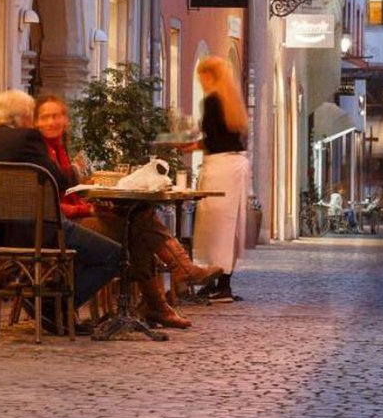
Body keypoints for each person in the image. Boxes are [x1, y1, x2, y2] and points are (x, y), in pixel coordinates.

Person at [34, 93, 222, 329]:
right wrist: (88, 208)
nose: (52, 122)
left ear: (66, 119)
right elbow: (49, 204)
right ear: (36, 122)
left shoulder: (59, 148)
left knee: (136, 221)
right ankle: (172, 284)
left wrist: (92, 206)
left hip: (75, 216)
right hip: (66, 223)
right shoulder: (39, 152)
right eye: (45, 117)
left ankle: (162, 300)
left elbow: (66, 193)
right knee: (136, 225)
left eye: (57, 116)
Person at [0, 89, 121, 331]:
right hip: (41, 232)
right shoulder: (28, 138)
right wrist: (77, 172)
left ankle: (49, 300)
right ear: (22, 117)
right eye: (32, 115)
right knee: (114, 255)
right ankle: (52, 308)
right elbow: (57, 179)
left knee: (85, 251)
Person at [188, 56, 250, 303]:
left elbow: (213, 139)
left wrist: (190, 144)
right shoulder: (232, 101)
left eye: (201, 77)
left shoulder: (212, 100)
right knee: (230, 227)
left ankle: (214, 281)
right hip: (236, 165)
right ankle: (224, 282)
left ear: (207, 76)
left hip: (220, 167)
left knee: (213, 226)